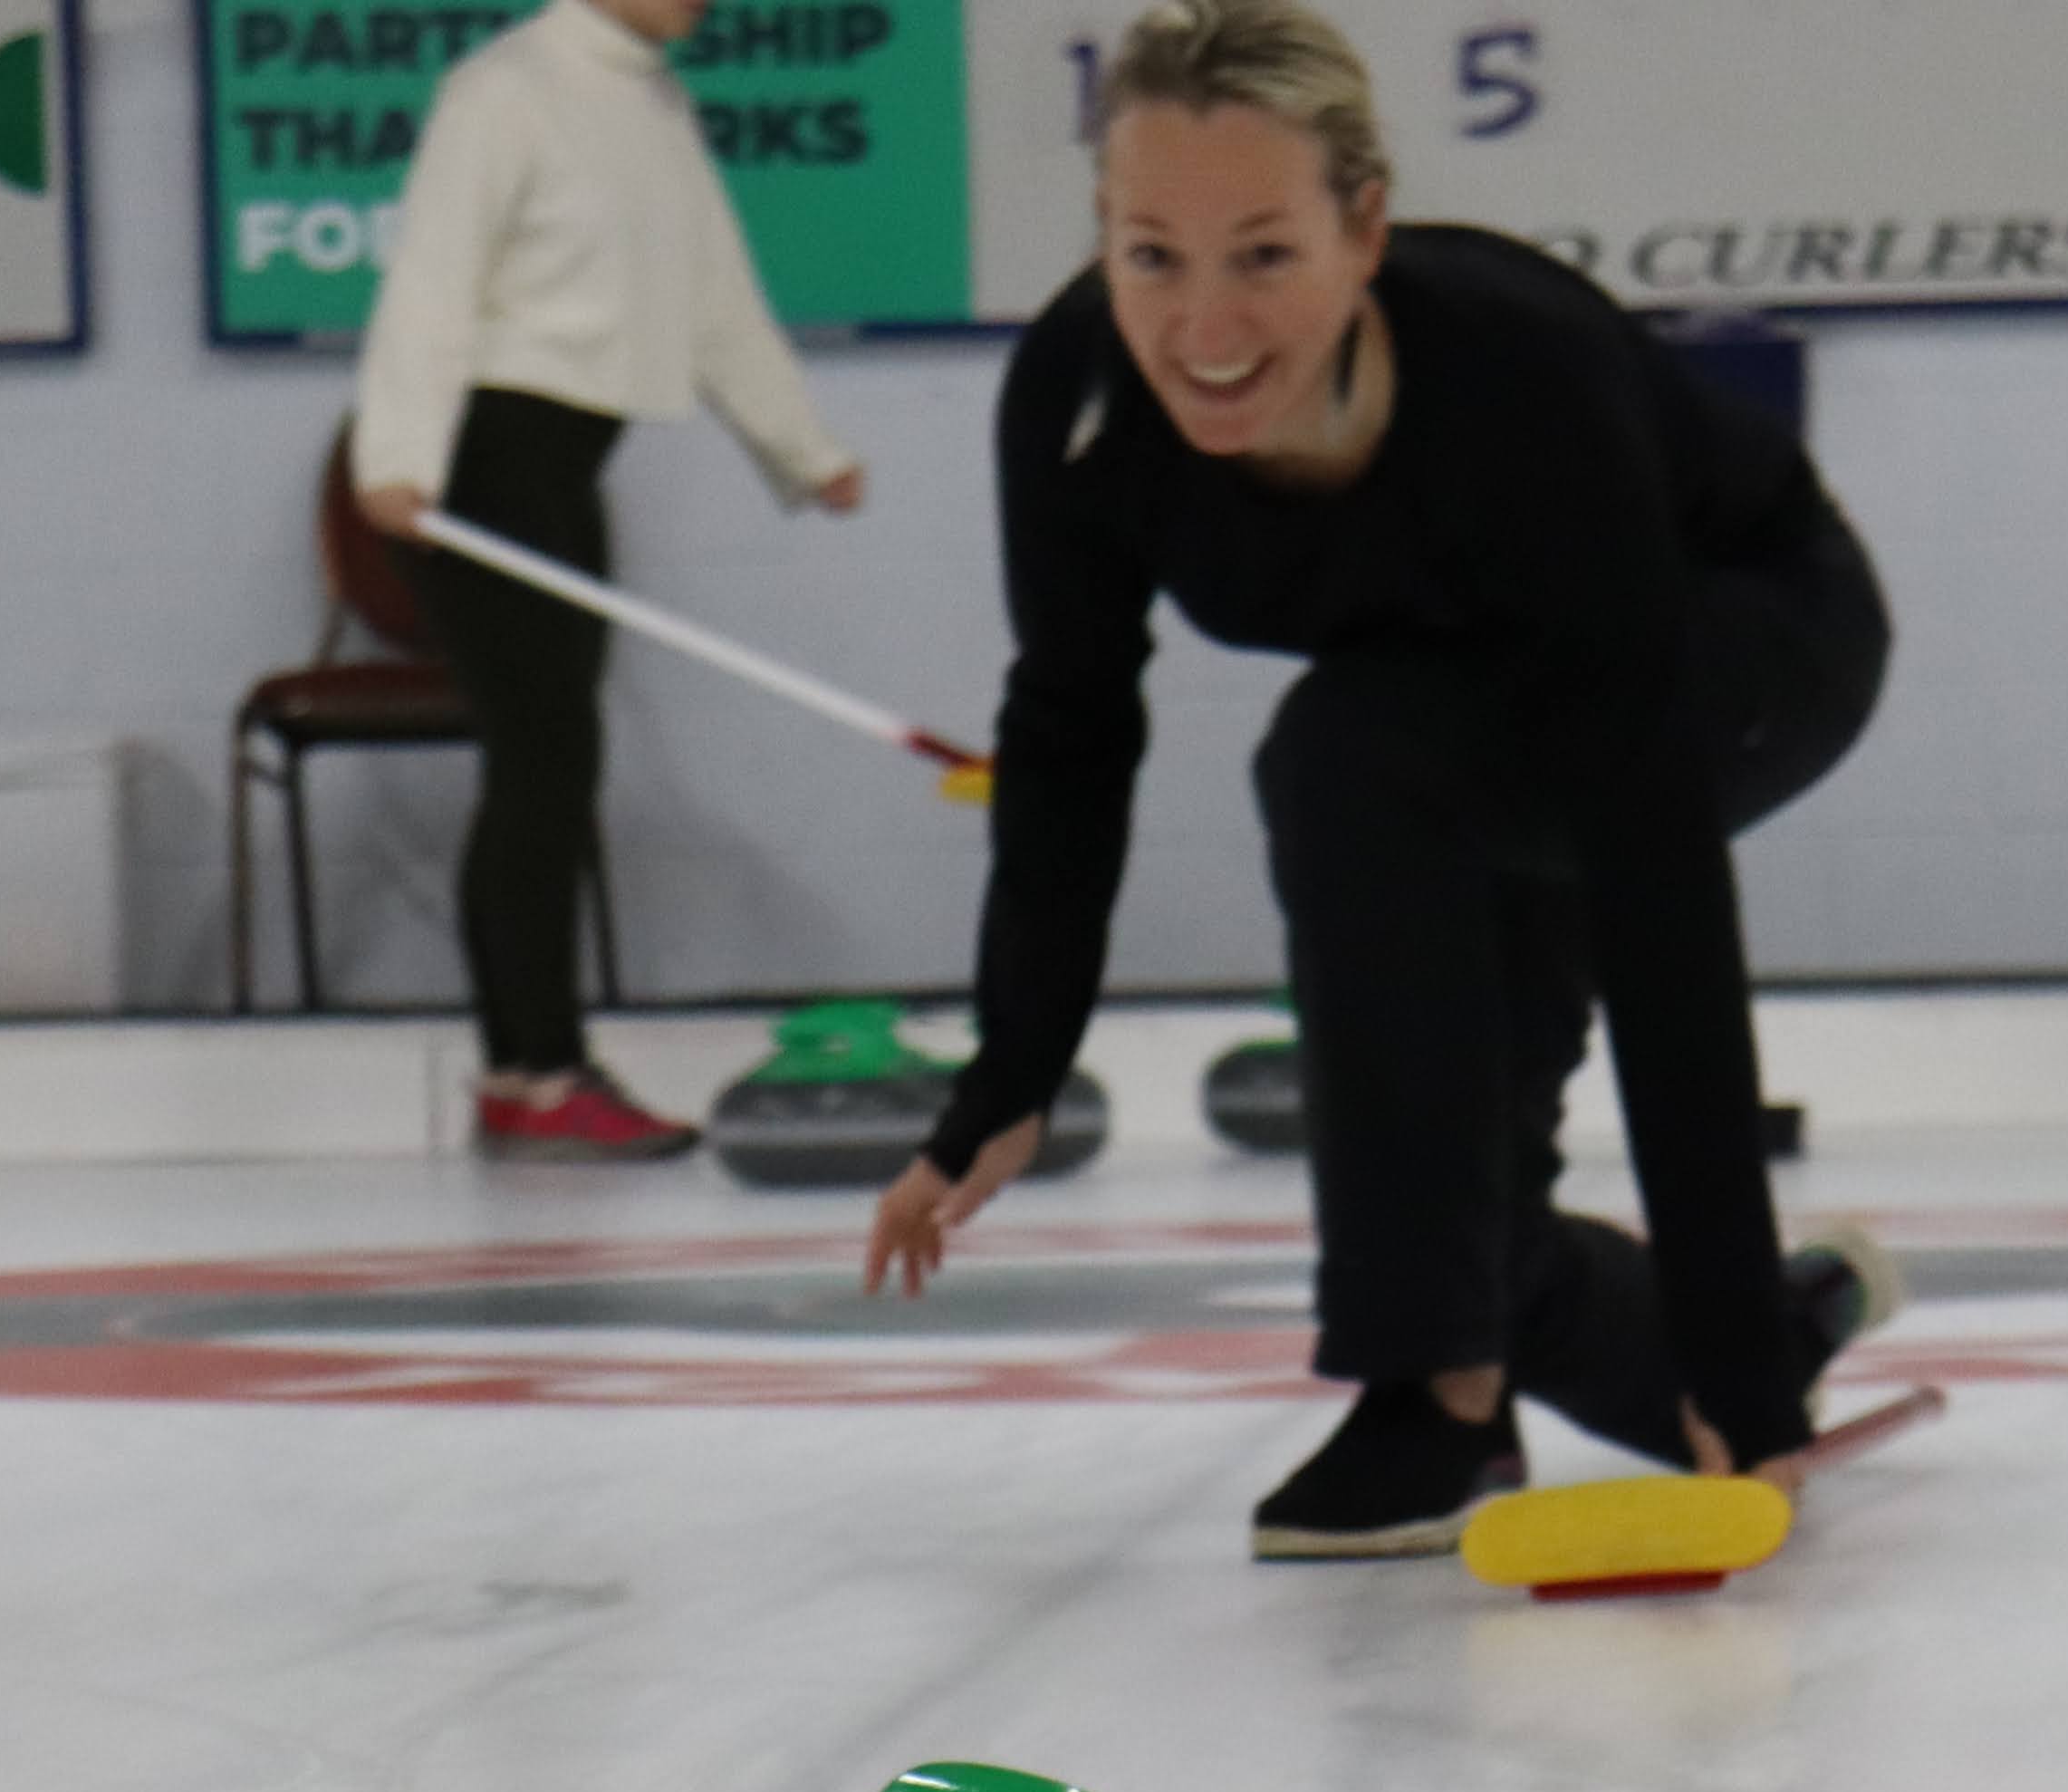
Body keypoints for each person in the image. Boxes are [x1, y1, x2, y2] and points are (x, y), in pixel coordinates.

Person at [860, 0, 1901, 1556]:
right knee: (1462, 1164)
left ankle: (1445, 1390)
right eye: (1151, 255)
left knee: (1344, 754)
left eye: (1263, 255)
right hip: (1455, 716)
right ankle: (1732, 1321)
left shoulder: (1523, 375)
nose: (1202, 331)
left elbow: (1653, 880)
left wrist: (1735, 1368)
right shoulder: (1082, 409)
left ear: (1363, 229)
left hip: (1738, 641)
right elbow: (1071, 730)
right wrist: (1004, 1082)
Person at [352, 0, 869, 1161]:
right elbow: (430, 282)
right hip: (480, 468)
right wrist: (396, 460)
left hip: (565, 468)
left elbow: (715, 291)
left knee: (552, 760)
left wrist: (803, 450)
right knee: (546, 761)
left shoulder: (649, 94)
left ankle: (523, 1076)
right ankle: (537, 1077)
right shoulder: (503, 91)